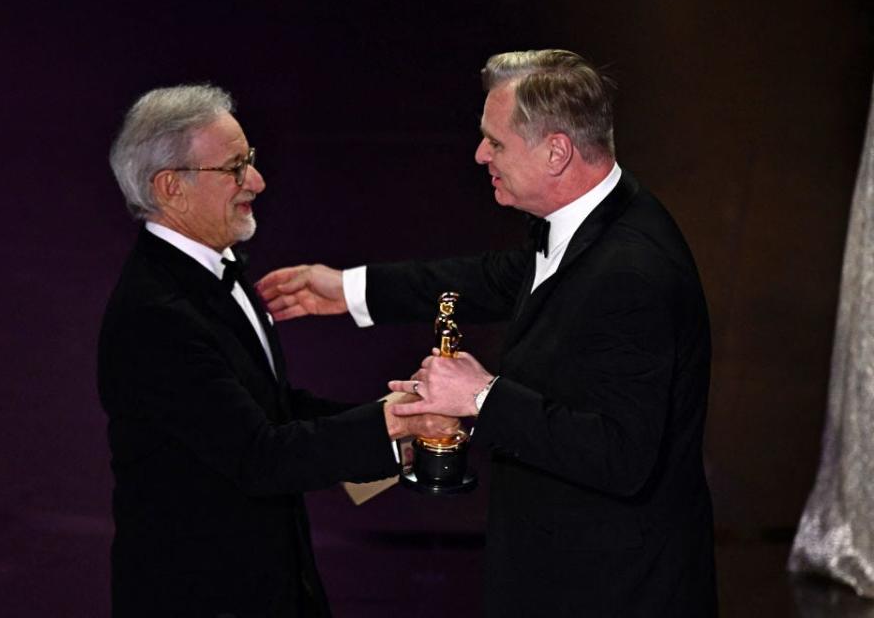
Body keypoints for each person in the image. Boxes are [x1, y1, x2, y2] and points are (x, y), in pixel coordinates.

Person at [258, 50, 717, 617]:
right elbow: (491, 278)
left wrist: (479, 395)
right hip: (565, 569)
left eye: (495, 143)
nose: (479, 155)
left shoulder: (632, 273)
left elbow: (622, 455)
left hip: (610, 589)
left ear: (557, 151)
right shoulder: (594, 221)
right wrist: (348, 289)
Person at [97, 84, 456, 618]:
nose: (257, 183)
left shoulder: (219, 270)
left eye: (251, 162)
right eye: (234, 169)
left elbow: (272, 409)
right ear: (171, 187)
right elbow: (259, 456)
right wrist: (394, 427)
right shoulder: (156, 315)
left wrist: (398, 420)